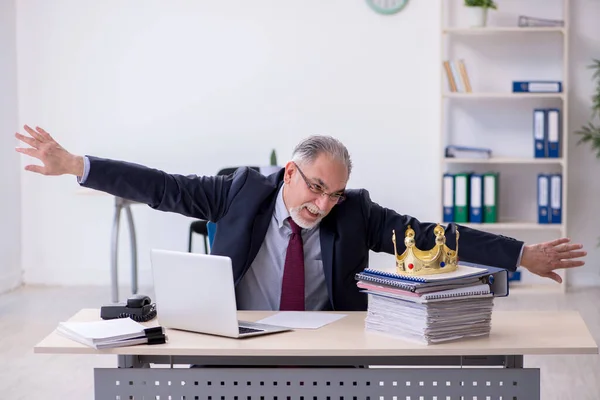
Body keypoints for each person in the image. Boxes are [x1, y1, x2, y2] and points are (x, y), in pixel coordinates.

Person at [15, 125, 586, 312]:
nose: (322, 204)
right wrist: (74, 165)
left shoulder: (355, 211)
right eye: (315, 188)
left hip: (329, 345)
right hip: (241, 341)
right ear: (289, 173)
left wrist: (520, 255)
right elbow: (161, 186)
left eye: (333, 194)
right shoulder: (240, 191)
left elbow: (431, 236)